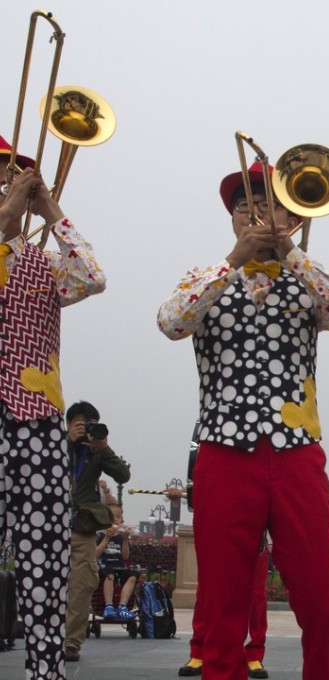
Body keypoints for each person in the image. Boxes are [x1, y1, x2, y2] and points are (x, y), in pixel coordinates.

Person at [157, 161, 329, 680]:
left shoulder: (304, 284)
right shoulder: (207, 280)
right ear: (231, 218)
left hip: (296, 451)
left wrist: (293, 254)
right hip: (225, 452)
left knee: (320, 596)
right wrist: (234, 260)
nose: (257, 214)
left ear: (291, 218)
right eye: (246, 206)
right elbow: (171, 321)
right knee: (224, 600)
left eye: (270, 205)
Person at [0, 137, 106, 677]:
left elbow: (93, 276)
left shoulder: (40, 266)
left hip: (37, 424)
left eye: (10, 177)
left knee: (44, 560)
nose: (7, 187)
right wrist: (2, 219)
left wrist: (51, 211)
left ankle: (45, 670)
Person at [168, 484, 271, 680]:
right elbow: (200, 486)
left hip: (254, 533)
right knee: (207, 594)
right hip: (220, 532)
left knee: (256, 597)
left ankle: (255, 654)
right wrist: (183, 493)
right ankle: (199, 652)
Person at [65, 401, 130, 662]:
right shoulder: (55, 445)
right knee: (49, 585)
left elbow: (122, 474)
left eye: (89, 424)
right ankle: (48, 636)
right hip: (50, 527)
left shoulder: (96, 452)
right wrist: (67, 442)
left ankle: (71, 643)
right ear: (68, 424)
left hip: (81, 529)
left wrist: (102, 448)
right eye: (79, 423)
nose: (84, 429)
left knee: (81, 586)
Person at [96, 503, 139, 621]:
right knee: (109, 574)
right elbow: (96, 553)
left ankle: (122, 607)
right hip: (104, 567)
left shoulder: (121, 535)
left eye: (118, 516)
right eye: (112, 516)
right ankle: (109, 606)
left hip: (119, 566)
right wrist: (107, 538)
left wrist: (125, 539)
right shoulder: (99, 534)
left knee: (132, 575)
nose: (116, 519)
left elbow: (125, 556)